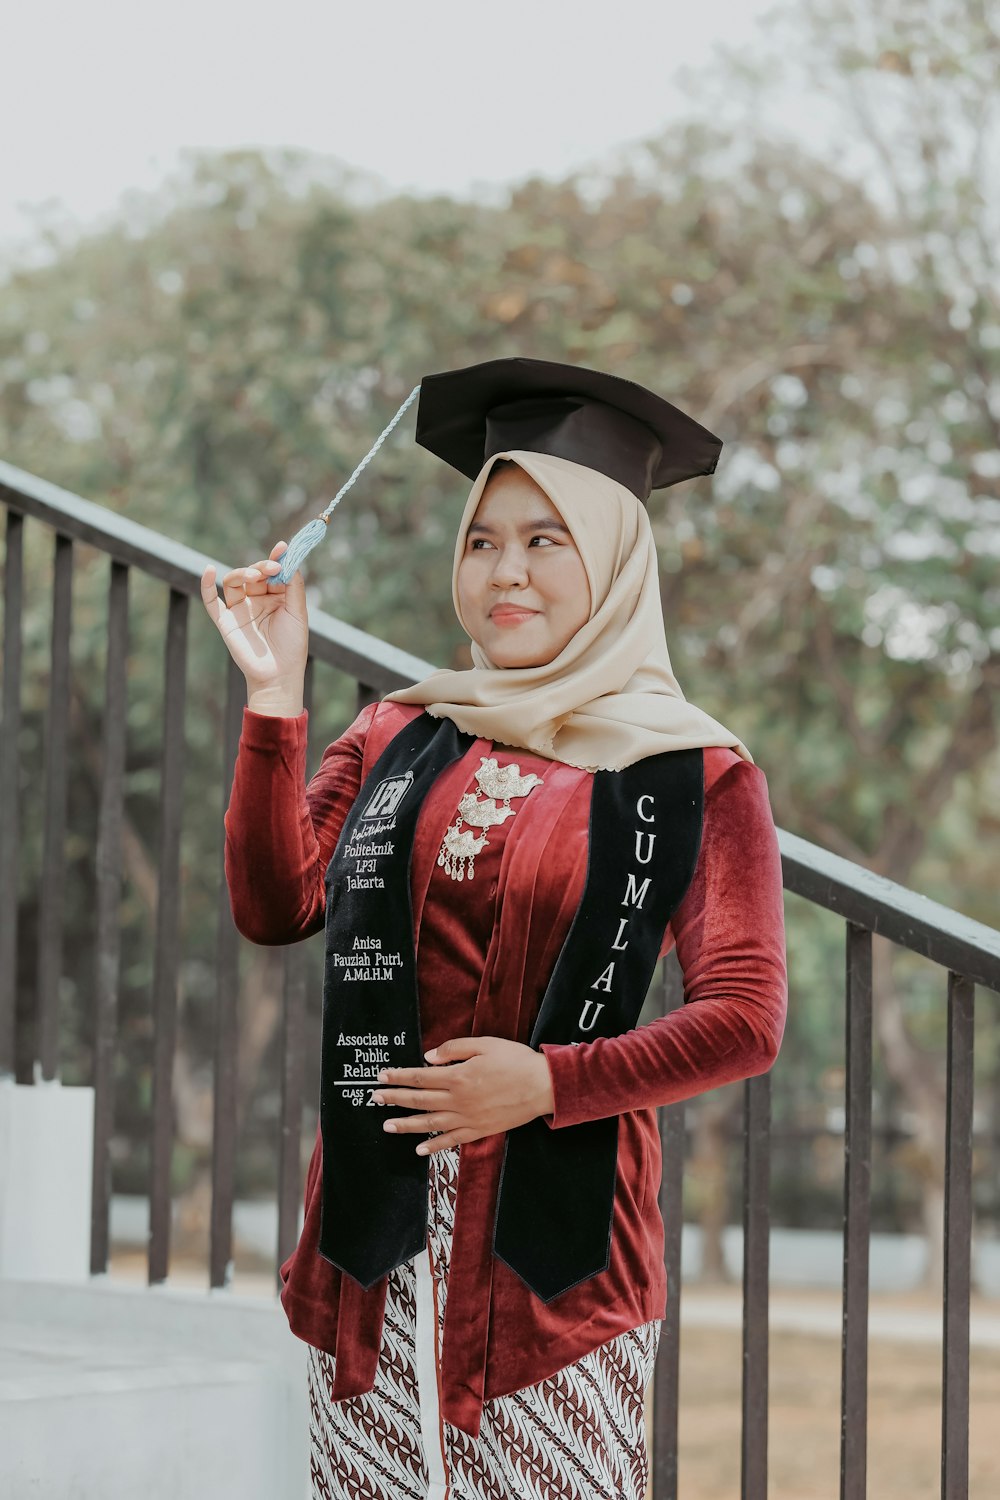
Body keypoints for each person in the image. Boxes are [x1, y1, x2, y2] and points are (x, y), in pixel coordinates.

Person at [200, 357, 788, 1500]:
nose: (503, 572)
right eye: (482, 541)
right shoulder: (396, 733)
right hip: (368, 1267)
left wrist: (545, 1084)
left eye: (544, 540)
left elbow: (744, 1020)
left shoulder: (692, 773)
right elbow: (277, 907)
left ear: (614, 557)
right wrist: (276, 698)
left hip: (553, 1291)